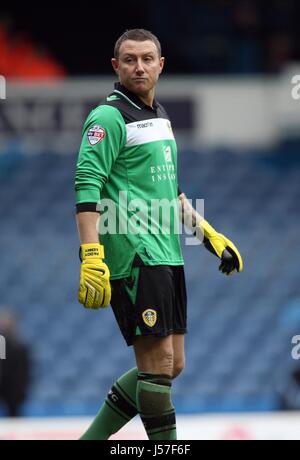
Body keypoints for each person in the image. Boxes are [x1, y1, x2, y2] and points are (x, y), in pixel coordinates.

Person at [75, 28, 243, 440]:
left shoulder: (160, 117)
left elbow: (170, 189)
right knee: (155, 367)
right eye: (129, 59)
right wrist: (91, 255)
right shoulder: (109, 116)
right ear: (116, 66)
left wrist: (208, 234)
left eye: (147, 58)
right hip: (134, 254)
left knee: (172, 364)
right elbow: (87, 184)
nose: (139, 66)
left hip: (167, 253)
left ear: (161, 65)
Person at [0, 309, 31, 417]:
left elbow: (24, 370)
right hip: (5, 385)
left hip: (14, 389)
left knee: (14, 416)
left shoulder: (19, 347)